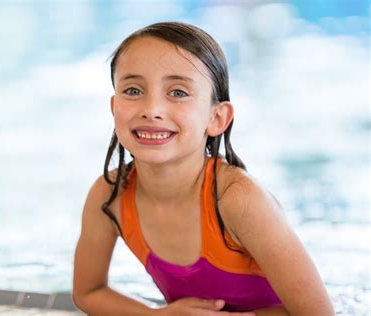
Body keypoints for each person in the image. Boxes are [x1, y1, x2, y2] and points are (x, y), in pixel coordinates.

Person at [72, 22, 334, 315]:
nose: (152, 109)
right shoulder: (110, 195)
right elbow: (88, 292)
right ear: (113, 106)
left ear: (217, 118)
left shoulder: (238, 200)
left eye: (178, 92)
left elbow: (318, 313)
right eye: (133, 90)